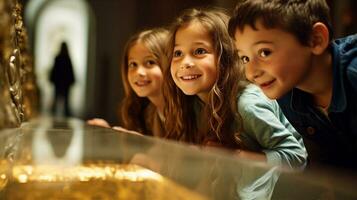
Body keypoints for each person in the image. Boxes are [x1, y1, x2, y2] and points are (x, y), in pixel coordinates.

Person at [163, 8, 307, 169]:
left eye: (199, 51)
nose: (185, 62)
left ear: (226, 58)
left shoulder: (247, 105)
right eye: (178, 53)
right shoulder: (193, 102)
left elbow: (297, 156)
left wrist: (235, 157)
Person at [228, 0, 357, 168]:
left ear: (315, 39)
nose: (250, 73)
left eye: (265, 52)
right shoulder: (286, 90)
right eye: (245, 58)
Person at [88, 28, 168, 137]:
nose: (139, 72)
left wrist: (141, 141)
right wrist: (109, 133)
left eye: (150, 62)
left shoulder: (188, 112)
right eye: (133, 64)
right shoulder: (148, 112)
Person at [50, 42, 75, 117]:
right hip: (65, 83)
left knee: (57, 98)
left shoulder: (58, 58)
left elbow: (54, 70)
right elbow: (70, 71)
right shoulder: (67, 58)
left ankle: (54, 114)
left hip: (58, 82)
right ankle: (66, 115)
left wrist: (52, 79)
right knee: (66, 101)